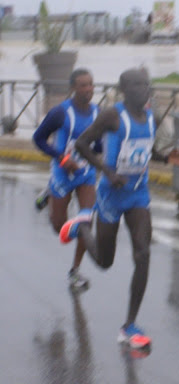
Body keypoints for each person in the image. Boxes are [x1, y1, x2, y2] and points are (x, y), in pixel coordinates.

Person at [58, 68, 179, 351]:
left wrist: (166, 158)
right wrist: (106, 169)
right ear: (124, 89)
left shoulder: (151, 117)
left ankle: (129, 325)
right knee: (105, 262)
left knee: (143, 253)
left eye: (147, 83)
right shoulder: (112, 116)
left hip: (138, 195)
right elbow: (81, 144)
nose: (145, 89)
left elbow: (146, 150)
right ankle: (81, 228)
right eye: (138, 84)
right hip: (110, 196)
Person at [32, 68, 100, 291]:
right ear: (72, 88)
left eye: (91, 84)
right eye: (83, 85)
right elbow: (38, 138)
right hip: (62, 173)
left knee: (85, 222)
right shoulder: (60, 113)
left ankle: (75, 272)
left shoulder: (98, 113)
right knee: (59, 228)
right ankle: (50, 191)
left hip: (85, 174)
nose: (88, 89)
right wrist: (61, 158)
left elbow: (98, 146)